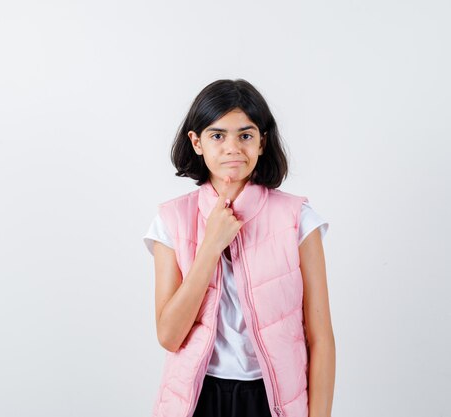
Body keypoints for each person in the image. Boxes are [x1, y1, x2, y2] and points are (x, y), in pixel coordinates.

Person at [143, 79, 335, 417]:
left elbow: (320, 338)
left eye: (245, 135)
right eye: (218, 135)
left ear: (261, 142)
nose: (233, 147)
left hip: (272, 399)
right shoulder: (171, 220)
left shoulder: (298, 219)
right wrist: (211, 247)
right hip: (196, 398)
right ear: (197, 142)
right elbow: (170, 336)